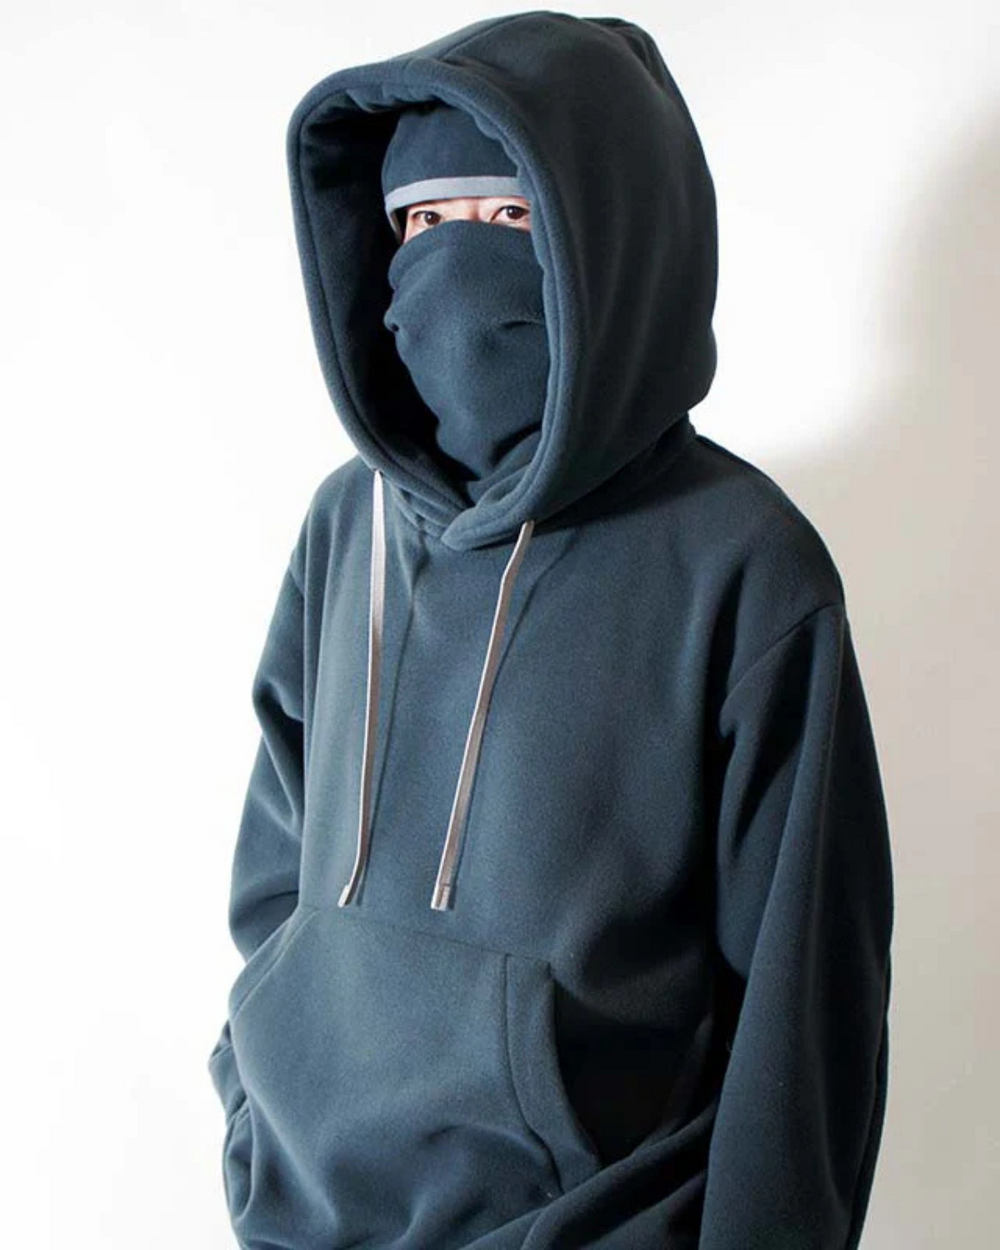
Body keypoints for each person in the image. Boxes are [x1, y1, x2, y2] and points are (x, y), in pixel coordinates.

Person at [206, 11, 894, 1249]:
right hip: (306, 1221)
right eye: (421, 221)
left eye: (507, 216)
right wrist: (261, 1099)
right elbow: (275, 867)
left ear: (610, 245)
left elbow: (806, 1013)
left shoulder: (743, 562)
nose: (453, 265)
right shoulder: (344, 525)